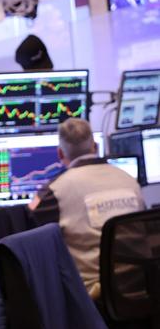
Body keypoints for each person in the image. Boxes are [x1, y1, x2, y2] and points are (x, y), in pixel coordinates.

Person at [29, 118, 145, 299]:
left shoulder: (56, 190)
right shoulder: (130, 180)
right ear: (95, 146)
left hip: (92, 297)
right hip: (140, 287)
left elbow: (29, 222)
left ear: (60, 154)